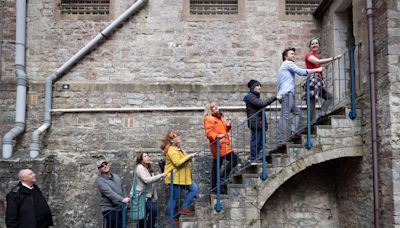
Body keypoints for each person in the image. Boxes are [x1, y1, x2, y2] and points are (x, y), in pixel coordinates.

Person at [276, 47, 323, 146]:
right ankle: (280, 141)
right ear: (285, 56)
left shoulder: (283, 66)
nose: (293, 55)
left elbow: (279, 82)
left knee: (297, 112)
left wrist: (279, 94)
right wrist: (316, 69)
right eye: (291, 54)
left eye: (294, 54)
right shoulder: (288, 63)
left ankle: (293, 131)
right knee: (284, 117)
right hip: (287, 93)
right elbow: (301, 72)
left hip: (287, 93)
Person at [161, 130, 198, 224]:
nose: (178, 137)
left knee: (194, 188)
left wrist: (190, 156)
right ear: (172, 140)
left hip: (182, 178)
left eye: (177, 136)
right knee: (174, 198)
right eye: (176, 136)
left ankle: (184, 207)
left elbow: (185, 159)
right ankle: (170, 218)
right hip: (175, 178)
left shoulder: (177, 148)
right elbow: (178, 163)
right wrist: (189, 156)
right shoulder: (171, 150)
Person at [303, 38, 343, 120]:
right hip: (312, 80)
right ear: (310, 46)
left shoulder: (315, 56)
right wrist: (334, 58)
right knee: (312, 102)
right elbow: (317, 62)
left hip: (318, 81)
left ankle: (322, 113)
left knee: (329, 97)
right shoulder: (308, 55)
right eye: (313, 44)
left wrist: (322, 83)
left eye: (316, 43)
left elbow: (319, 70)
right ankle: (311, 125)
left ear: (319, 45)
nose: (315, 45)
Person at [203, 102, 239, 189]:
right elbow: (209, 132)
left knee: (216, 166)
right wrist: (217, 136)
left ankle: (214, 187)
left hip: (222, 143)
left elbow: (223, 130)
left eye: (216, 106)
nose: (216, 108)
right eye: (213, 107)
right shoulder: (209, 118)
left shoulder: (220, 117)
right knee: (234, 159)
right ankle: (222, 178)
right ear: (210, 110)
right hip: (219, 144)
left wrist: (228, 126)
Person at [243, 79, 277, 163]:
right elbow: (261, 104)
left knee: (262, 141)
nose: (259, 87)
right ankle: (253, 158)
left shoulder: (255, 96)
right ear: (252, 87)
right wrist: (275, 97)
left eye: (259, 85)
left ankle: (255, 157)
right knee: (255, 141)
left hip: (260, 122)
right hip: (255, 122)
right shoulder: (250, 96)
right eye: (257, 86)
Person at [132, 152, 167, 228]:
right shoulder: (139, 167)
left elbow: (152, 181)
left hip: (148, 196)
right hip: (141, 196)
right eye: (145, 156)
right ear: (141, 159)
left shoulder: (148, 169)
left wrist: (160, 176)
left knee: (142, 218)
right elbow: (146, 180)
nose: (147, 157)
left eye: (148, 155)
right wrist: (160, 175)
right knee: (154, 210)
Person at [96, 160, 130, 228]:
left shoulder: (116, 177)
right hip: (109, 208)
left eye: (105, 164)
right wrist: (122, 199)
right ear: (99, 169)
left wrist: (126, 201)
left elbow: (122, 189)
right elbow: (110, 193)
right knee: (117, 223)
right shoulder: (101, 181)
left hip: (120, 207)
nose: (105, 166)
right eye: (102, 166)